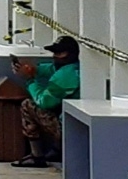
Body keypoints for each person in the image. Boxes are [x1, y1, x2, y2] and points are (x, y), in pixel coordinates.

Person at [11, 36, 81, 169]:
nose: (55, 56)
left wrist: (30, 80)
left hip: (67, 127)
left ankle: (36, 156)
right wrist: (31, 69)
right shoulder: (72, 68)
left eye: (59, 53)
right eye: (54, 53)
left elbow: (44, 102)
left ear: (68, 54)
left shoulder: (66, 76)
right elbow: (48, 69)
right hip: (71, 123)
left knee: (28, 105)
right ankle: (56, 150)